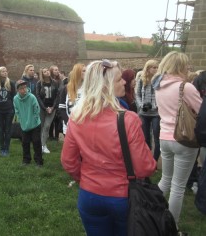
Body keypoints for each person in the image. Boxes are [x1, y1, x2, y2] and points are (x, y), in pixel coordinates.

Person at [61, 59, 156, 236]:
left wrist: (86, 178)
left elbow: (68, 161)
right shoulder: (129, 119)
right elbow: (145, 167)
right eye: (119, 79)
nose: (125, 82)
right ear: (105, 86)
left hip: (89, 195)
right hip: (122, 197)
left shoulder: (77, 116)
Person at [152, 51, 202, 230]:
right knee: (178, 187)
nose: (188, 69)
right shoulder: (184, 87)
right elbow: (201, 110)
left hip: (164, 137)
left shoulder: (158, 85)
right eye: (186, 65)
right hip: (183, 138)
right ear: (180, 66)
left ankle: (150, 210)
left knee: (166, 179)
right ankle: (171, 227)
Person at [13, 80, 43, 166]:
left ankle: (39, 161)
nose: (24, 90)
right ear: (18, 90)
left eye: (25, 87)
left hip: (35, 124)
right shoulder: (15, 99)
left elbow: (36, 110)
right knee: (25, 143)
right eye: (21, 88)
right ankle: (26, 160)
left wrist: (34, 119)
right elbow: (16, 110)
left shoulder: (32, 97)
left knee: (36, 142)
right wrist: (20, 119)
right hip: (24, 125)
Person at [136, 59, 161, 161]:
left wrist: (156, 105)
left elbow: (161, 95)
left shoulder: (159, 80)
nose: (155, 69)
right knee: (145, 137)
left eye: (156, 67)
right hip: (144, 113)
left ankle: (155, 160)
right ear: (148, 68)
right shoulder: (141, 79)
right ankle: (147, 159)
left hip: (156, 113)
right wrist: (141, 105)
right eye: (153, 67)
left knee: (156, 136)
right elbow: (137, 94)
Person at [0, 66, 15, 157]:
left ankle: (7, 148)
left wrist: (13, 109)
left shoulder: (11, 83)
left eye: (6, 71)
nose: (5, 72)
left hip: (9, 110)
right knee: (1, 129)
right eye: (3, 71)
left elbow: (13, 97)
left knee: (8, 129)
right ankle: (2, 148)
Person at [36, 67, 59, 153]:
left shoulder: (55, 83)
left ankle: (43, 145)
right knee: (42, 126)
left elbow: (57, 95)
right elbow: (38, 96)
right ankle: (41, 144)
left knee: (47, 126)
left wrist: (53, 107)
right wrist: (44, 108)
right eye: (45, 71)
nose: (47, 72)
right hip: (42, 108)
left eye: (47, 71)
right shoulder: (39, 83)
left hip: (52, 108)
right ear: (42, 74)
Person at [58, 63, 86, 135]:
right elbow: (62, 108)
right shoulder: (66, 88)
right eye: (84, 71)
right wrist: (68, 122)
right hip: (69, 127)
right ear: (77, 73)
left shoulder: (88, 89)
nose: (86, 73)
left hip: (84, 127)